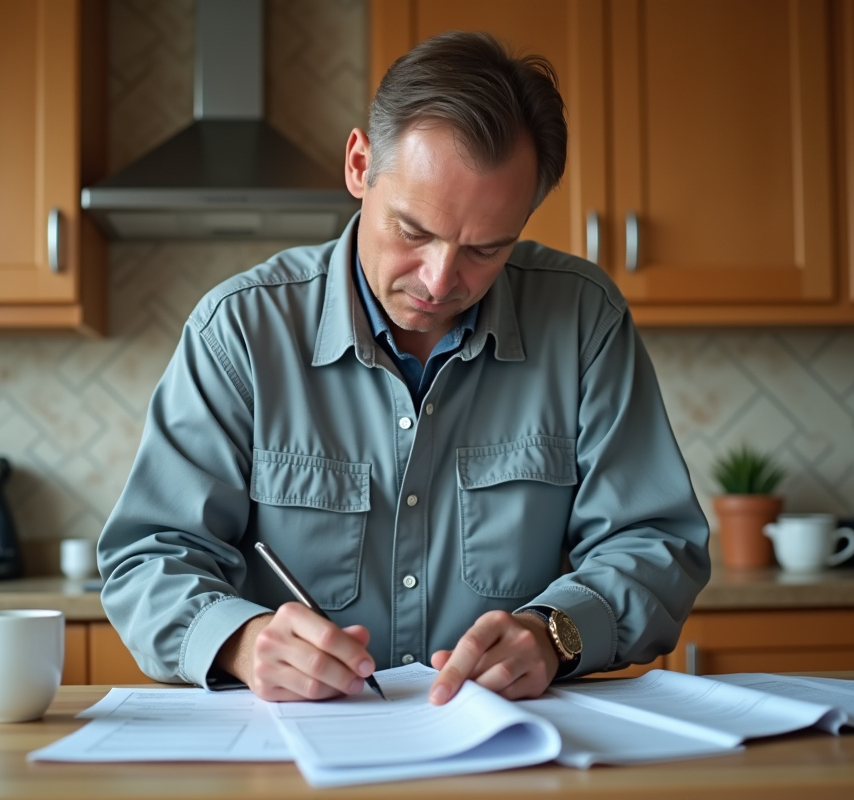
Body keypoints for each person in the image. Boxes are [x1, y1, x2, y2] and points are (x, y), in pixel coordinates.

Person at [98, 31, 709, 706]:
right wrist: (243, 642)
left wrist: (555, 633)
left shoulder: (584, 320)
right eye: (414, 231)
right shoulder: (240, 332)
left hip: (510, 746)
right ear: (360, 166)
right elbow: (149, 558)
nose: (440, 280)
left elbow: (656, 543)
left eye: (486, 248)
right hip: (291, 754)